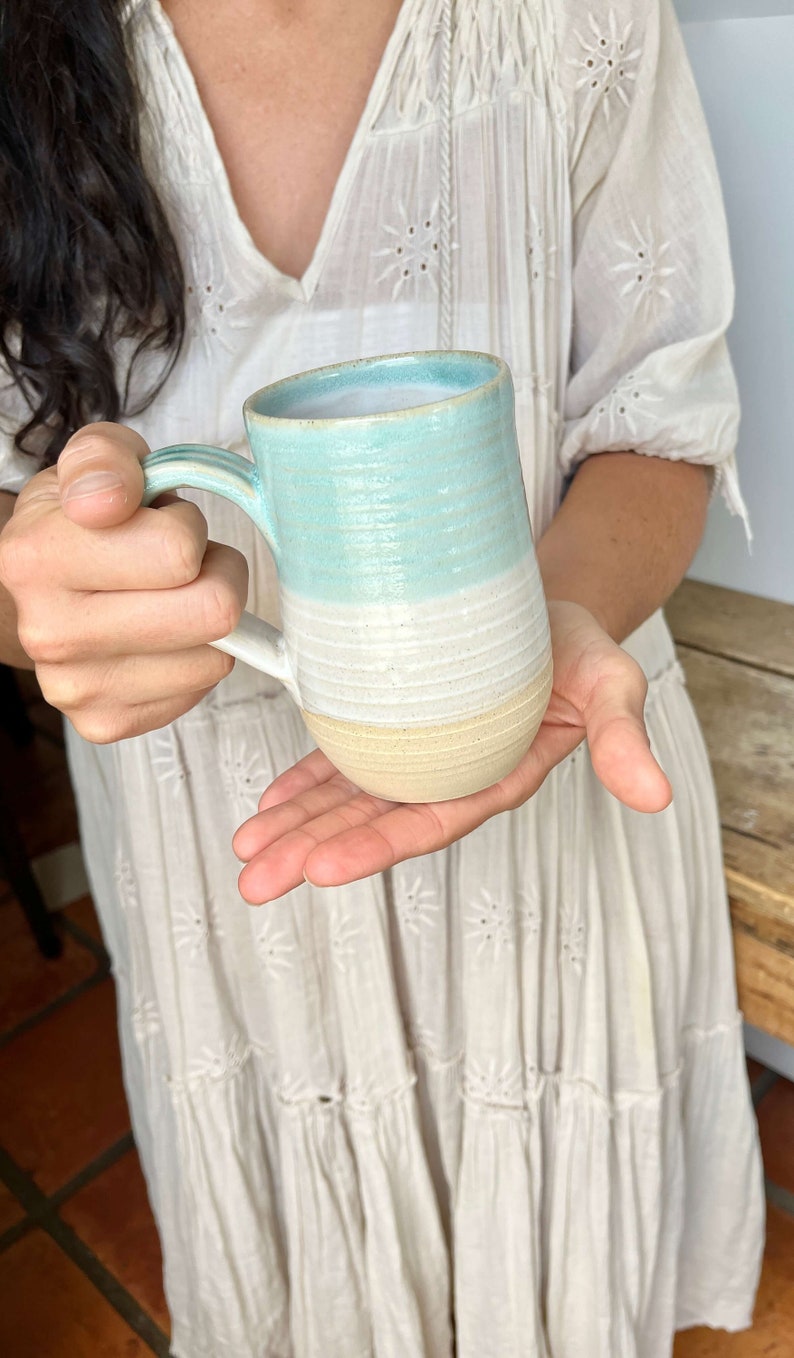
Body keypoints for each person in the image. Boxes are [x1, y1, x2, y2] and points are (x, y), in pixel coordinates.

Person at [0, 0, 765, 1354]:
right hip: (223, 864)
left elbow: (657, 420)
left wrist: (555, 622)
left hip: (553, 806)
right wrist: (34, 599)